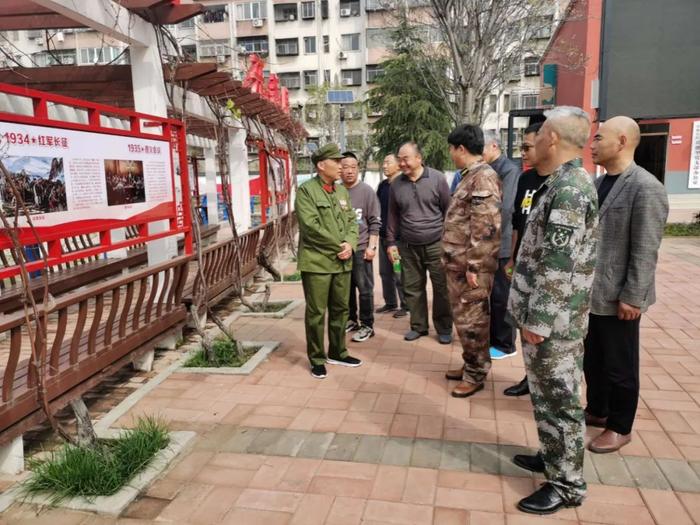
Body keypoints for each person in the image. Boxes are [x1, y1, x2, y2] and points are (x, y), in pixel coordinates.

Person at [507, 106, 598, 515]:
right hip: (547, 319)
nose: (535, 140)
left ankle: (567, 485)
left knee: (560, 401)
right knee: (546, 399)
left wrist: (539, 320)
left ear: (554, 138)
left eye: (540, 133)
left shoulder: (570, 190)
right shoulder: (559, 183)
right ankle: (551, 455)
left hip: (554, 324)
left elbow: (558, 264)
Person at [585, 116, 669, 453]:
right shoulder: (598, 183)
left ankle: (621, 426)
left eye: (599, 138)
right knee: (593, 358)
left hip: (620, 295)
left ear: (621, 141)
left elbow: (646, 248)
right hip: (592, 293)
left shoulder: (645, 187)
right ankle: (598, 410)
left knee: (620, 364)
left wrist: (633, 297)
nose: (592, 145)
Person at [442, 125, 502, 398]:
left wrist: (476, 266)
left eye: (452, 149)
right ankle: (470, 364)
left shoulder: (483, 178)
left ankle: (476, 374)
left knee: (473, 321)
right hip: (459, 266)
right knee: (463, 320)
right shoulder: (470, 176)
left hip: (471, 269)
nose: (451, 154)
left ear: (461, 149)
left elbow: (486, 227)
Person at [295, 143, 363, 379]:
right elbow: (311, 228)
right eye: (336, 162)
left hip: (342, 262)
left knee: (341, 310)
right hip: (317, 263)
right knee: (316, 313)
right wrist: (339, 246)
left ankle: (338, 351)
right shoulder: (306, 191)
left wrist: (350, 245)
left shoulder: (341, 191)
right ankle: (316, 358)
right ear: (321, 165)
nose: (341, 166)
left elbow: (352, 223)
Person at [386, 142, 453, 343]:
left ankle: (444, 328)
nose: (402, 163)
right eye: (399, 158)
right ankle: (418, 326)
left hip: (436, 245)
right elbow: (392, 216)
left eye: (405, 158)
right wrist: (390, 243)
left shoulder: (438, 179)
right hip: (408, 246)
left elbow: (448, 212)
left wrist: (449, 243)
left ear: (419, 158)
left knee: (442, 288)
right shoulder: (396, 184)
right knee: (412, 288)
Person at [502, 121, 547, 397]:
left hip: (548, 272)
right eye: (522, 147)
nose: (524, 153)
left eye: (528, 147)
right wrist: (512, 257)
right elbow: (519, 222)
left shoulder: (558, 182)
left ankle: (545, 382)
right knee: (524, 324)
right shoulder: (526, 180)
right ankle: (530, 377)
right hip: (522, 266)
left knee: (544, 330)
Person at [482, 131, 521, 360]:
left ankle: (506, 344)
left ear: (494, 146)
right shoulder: (488, 169)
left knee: (502, 296)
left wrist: (488, 235)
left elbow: (506, 209)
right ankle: (494, 338)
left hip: (502, 243)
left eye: (482, 149)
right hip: (488, 243)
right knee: (491, 296)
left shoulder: (509, 170)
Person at [341, 151, 382, 342]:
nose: (349, 171)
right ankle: (351, 319)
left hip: (361, 248)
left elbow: (374, 222)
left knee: (364, 289)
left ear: (358, 168)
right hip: (342, 250)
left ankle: (367, 325)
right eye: (345, 167)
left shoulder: (366, 191)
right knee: (346, 289)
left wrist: (371, 247)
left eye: (353, 167)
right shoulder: (337, 191)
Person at [376, 153, 408, 318]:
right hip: (382, 237)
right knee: (384, 272)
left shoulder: (403, 184)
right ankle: (390, 303)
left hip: (396, 240)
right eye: (384, 162)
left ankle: (406, 304)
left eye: (388, 162)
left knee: (398, 272)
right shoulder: (382, 186)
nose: (384, 165)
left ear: (398, 164)